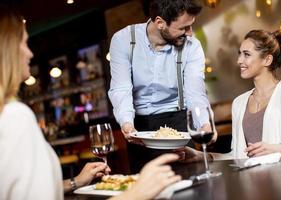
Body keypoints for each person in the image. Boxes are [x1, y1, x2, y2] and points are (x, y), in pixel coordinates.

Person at [0, 6, 181, 200]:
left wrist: (76, 181)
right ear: (7, 49)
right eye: (25, 43)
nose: (30, 53)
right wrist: (136, 193)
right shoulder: (14, 116)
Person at [108, 0, 212, 173]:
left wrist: (204, 124)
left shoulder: (192, 46)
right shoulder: (124, 40)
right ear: (160, 22)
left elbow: (195, 92)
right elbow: (121, 88)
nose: (190, 33)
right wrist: (126, 123)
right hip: (139, 130)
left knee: (190, 185)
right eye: (183, 28)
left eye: (191, 26)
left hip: (178, 124)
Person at [177, 29, 281, 162]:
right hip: (250, 180)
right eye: (239, 54)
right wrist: (203, 156)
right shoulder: (239, 103)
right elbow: (237, 155)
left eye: (246, 54)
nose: (239, 60)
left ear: (267, 59)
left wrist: (280, 148)